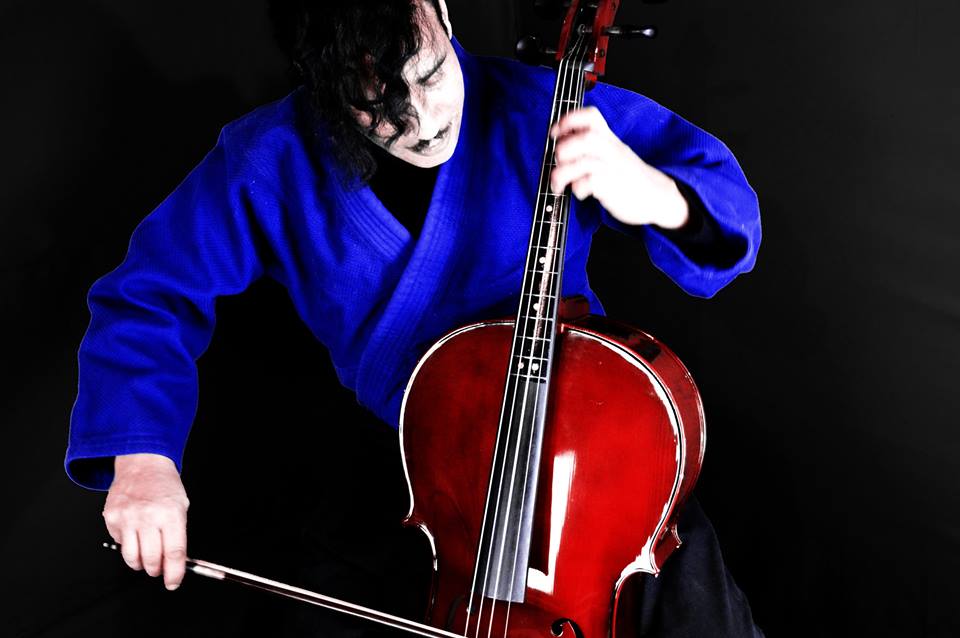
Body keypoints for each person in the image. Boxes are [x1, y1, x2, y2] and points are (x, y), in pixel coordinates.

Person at [64, 0, 763, 635]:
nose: (424, 124)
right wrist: (143, 459)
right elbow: (149, 293)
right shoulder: (268, 158)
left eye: (430, 75)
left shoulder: (543, 107)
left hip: (587, 457)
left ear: (444, 13)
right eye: (377, 107)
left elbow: (724, 202)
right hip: (410, 478)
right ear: (320, 82)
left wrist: (656, 194)